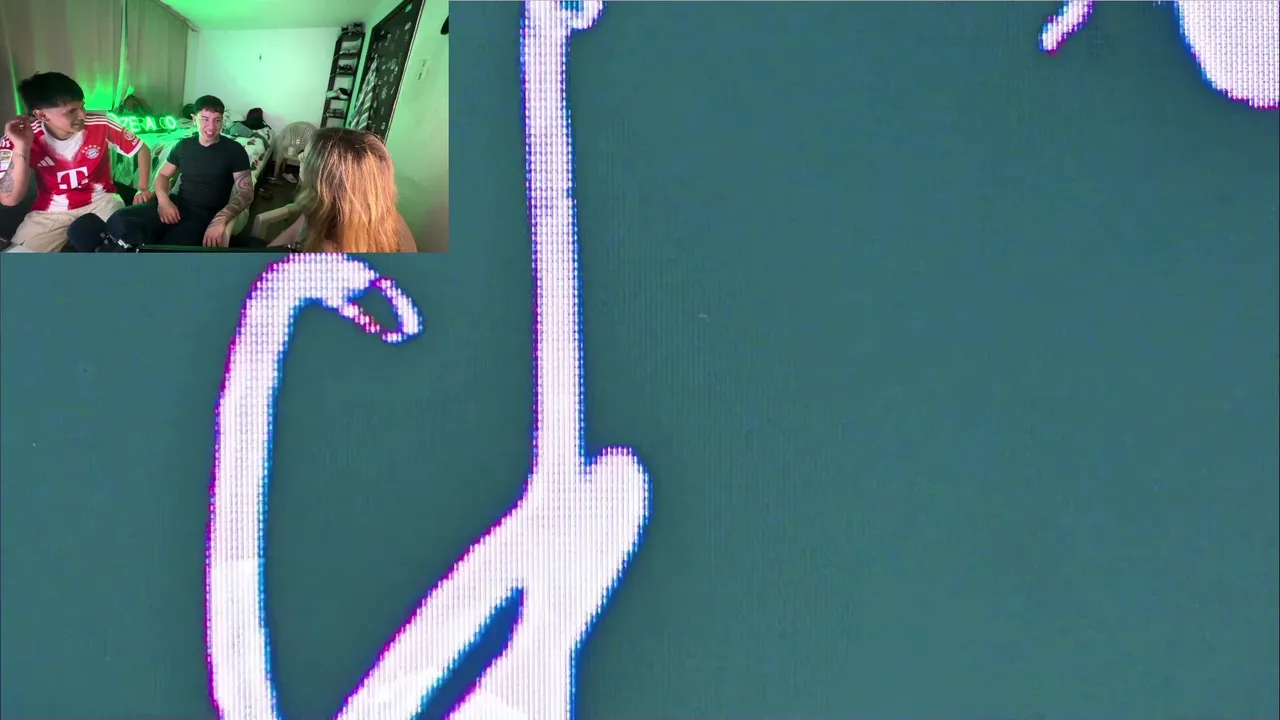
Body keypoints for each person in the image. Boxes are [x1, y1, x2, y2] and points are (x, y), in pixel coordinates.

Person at [0, 72, 152, 252]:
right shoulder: (18, 137)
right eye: (71, 111)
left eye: (82, 106)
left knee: (125, 251)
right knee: (17, 263)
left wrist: (143, 188)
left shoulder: (101, 125)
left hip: (102, 200)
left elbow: (141, 148)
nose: (82, 115)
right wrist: (22, 147)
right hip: (51, 210)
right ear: (42, 115)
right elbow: (9, 199)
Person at [106, 95, 252, 248]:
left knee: (171, 250)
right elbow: (163, 175)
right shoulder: (184, 145)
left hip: (204, 216)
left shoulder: (234, 150)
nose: (211, 127)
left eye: (217, 120)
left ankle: (144, 251)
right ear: (194, 119)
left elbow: (246, 192)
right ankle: (141, 250)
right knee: (119, 220)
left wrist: (220, 219)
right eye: (205, 119)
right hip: (177, 204)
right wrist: (164, 201)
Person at [268, 127, 416, 253]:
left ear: (326, 179)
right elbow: (296, 229)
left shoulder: (333, 249)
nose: (299, 157)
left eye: (306, 157)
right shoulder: (320, 203)